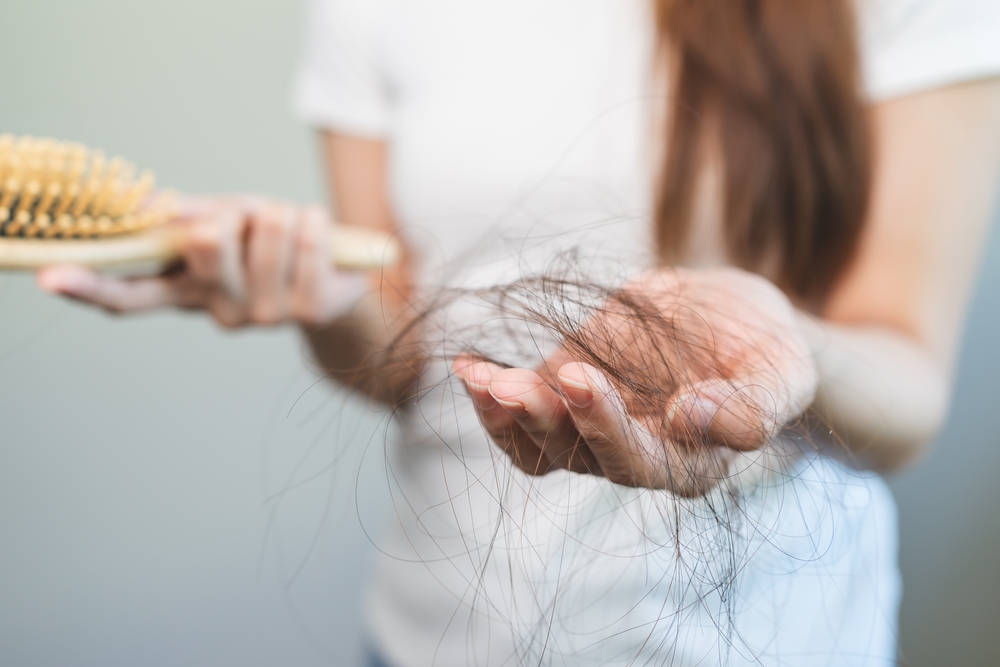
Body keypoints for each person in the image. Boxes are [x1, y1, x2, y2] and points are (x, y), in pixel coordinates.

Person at [36, 0, 1000, 665]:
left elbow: (909, 389)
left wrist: (796, 342)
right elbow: (403, 359)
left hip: (783, 638)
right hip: (438, 636)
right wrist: (329, 297)